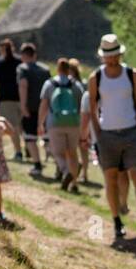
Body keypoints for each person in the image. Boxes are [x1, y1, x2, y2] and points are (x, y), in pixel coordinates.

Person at [87, 33, 136, 240]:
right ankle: (116, 220)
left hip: (131, 130)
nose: (112, 59)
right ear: (103, 57)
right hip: (107, 135)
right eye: (109, 56)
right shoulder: (95, 78)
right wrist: (98, 132)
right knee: (111, 178)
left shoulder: (131, 74)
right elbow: (92, 108)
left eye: (115, 55)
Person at [38, 58, 83, 192]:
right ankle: (74, 183)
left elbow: (44, 105)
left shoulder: (49, 84)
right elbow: (81, 104)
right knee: (73, 152)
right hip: (74, 123)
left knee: (58, 152)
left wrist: (40, 123)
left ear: (57, 69)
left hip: (55, 122)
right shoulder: (76, 85)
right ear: (69, 69)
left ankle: (66, 170)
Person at [15, 43, 50, 174]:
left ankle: (37, 165)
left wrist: (23, 106)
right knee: (47, 137)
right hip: (45, 107)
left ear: (23, 55)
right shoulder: (45, 69)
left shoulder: (22, 69)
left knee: (30, 138)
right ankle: (59, 166)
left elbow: (23, 86)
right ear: (34, 54)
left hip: (30, 107)